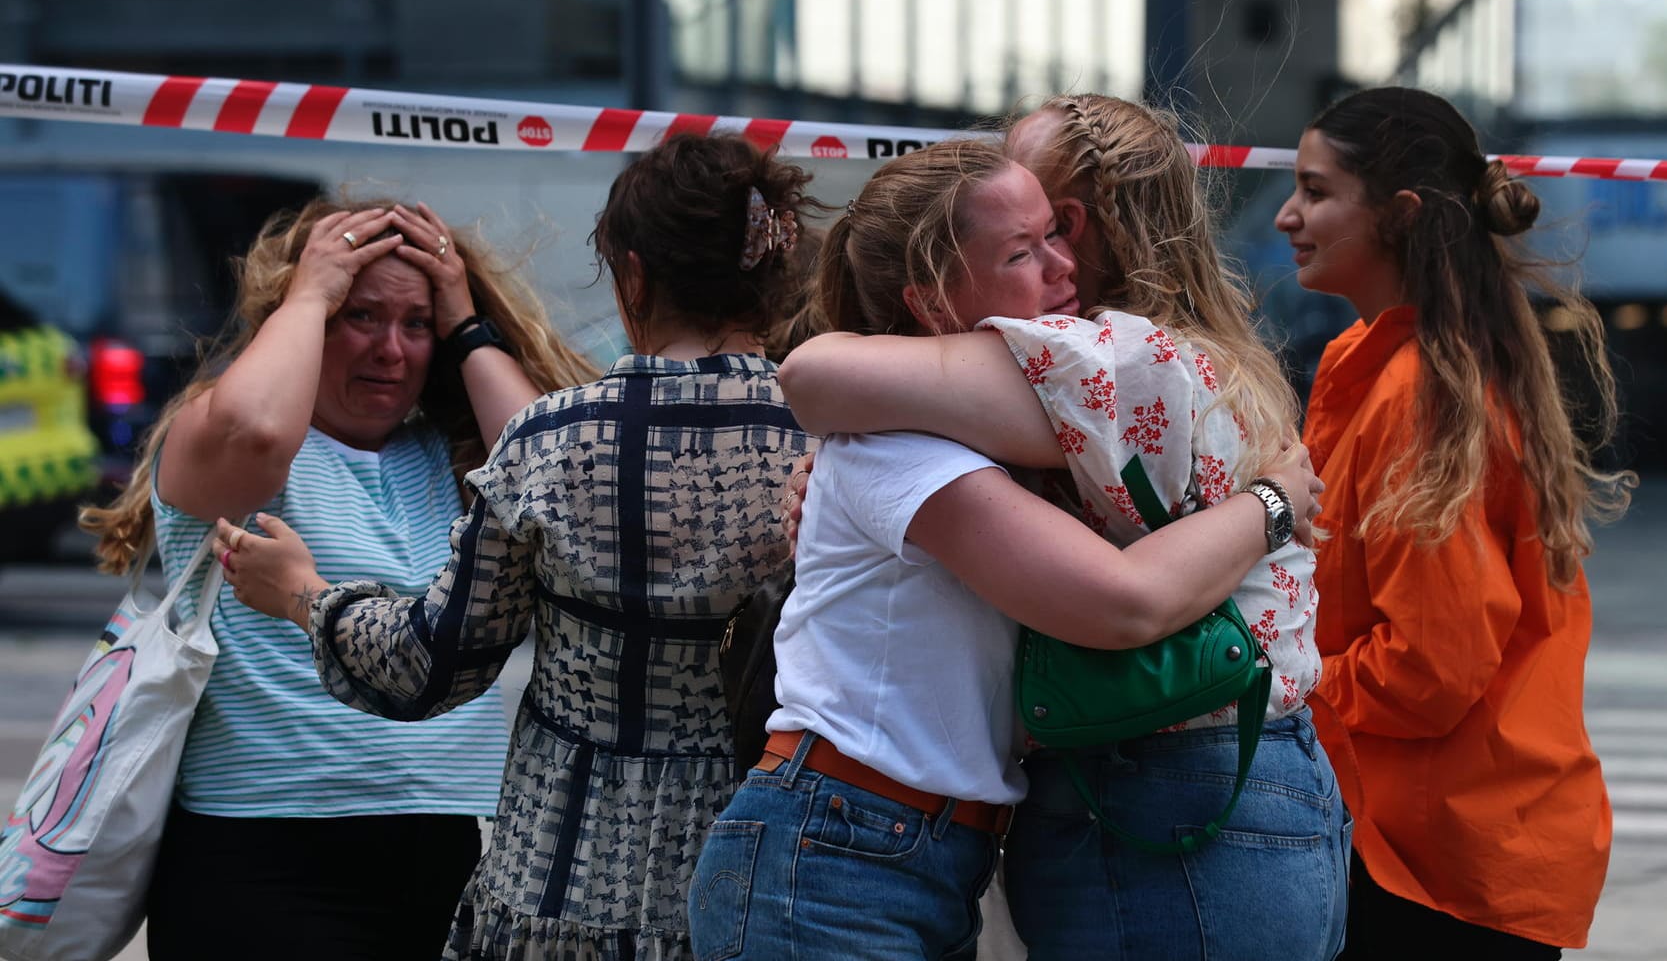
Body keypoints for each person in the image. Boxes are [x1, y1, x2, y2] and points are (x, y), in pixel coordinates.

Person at [687, 138, 1321, 960]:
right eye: (1024, 251)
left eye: (1059, 234)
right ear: (930, 303)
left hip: (902, 846)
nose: (1065, 268)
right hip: (838, 845)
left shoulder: (979, 434)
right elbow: (1122, 601)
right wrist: (1272, 502)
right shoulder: (902, 446)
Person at [214, 134, 820, 961]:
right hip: (768, 875)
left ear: (634, 277)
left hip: (561, 878)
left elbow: (427, 666)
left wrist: (303, 594)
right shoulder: (835, 440)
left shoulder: (555, 439)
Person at [77, 197, 594, 960]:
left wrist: (465, 323)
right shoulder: (223, 431)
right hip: (259, 864)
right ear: (303, 319)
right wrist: (311, 288)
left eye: (415, 324)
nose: (391, 349)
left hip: (445, 857)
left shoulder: (448, 456)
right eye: (360, 316)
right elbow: (253, 429)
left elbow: (568, 496)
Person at [1275, 86, 1636, 958]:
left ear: (1399, 216)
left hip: (1435, 859)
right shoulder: (1406, 359)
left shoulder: (1420, 390)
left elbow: (1429, 667)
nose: (1288, 214)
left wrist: (1279, 681)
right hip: (1449, 835)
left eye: (1317, 192)